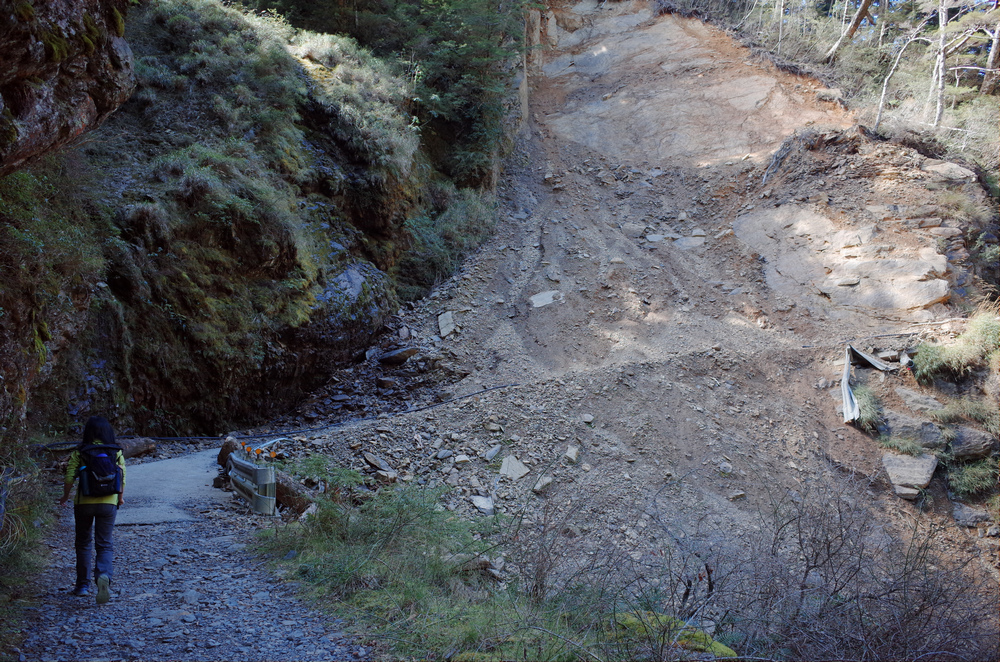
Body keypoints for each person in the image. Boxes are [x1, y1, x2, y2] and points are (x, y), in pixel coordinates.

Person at [58, 416, 126, 605]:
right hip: (108, 503)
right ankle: (103, 576)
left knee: (83, 543)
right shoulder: (116, 451)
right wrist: (119, 498)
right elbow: (122, 476)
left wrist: (65, 497)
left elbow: (70, 476)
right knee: (104, 544)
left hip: (84, 503)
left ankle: (82, 586)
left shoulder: (80, 452)